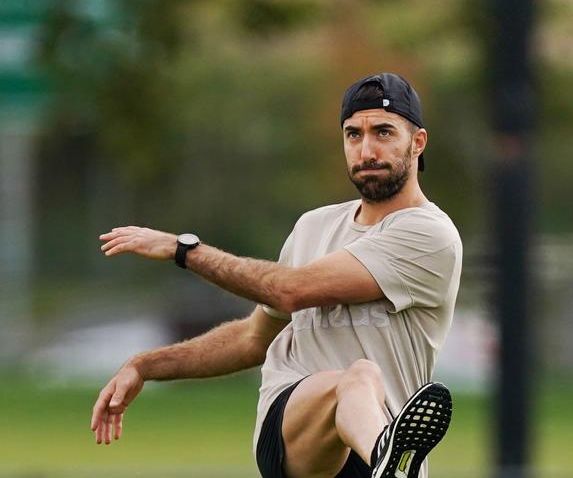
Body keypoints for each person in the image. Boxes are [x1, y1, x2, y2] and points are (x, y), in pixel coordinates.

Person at [91, 72, 462, 478]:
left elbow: (289, 290)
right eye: (353, 134)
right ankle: (389, 462)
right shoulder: (313, 227)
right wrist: (145, 365)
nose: (366, 149)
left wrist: (184, 250)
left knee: (361, 382)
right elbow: (254, 339)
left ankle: (389, 462)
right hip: (294, 434)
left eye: (383, 132)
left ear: (418, 142)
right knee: (358, 377)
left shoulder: (429, 234)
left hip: (368, 441)